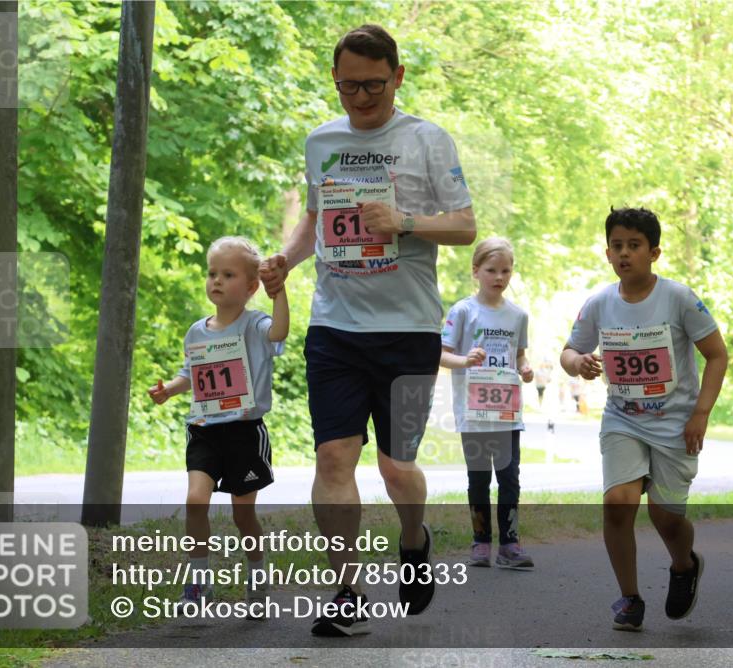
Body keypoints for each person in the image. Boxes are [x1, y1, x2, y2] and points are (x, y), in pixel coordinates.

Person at [259, 25, 476, 636]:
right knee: (334, 458)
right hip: (336, 326)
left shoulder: (427, 139)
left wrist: (403, 222)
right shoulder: (321, 141)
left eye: (373, 86)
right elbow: (315, 219)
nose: (359, 98)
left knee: (396, 468)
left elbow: (464, 226)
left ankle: (413, 538)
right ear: (335, 81)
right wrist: (285, 260)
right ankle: (347, 592)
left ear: (397, 77)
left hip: (408, 330)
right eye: (348, 86)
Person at [561, 207, 728, 632]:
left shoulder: (679, 298)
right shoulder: (599, 303)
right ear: (607, 253)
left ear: (654, 253)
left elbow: (717, 355)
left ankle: (684, 564)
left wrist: (701, 414)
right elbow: (568, 351)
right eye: (617, 246)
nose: (624, 253)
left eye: (634, 245)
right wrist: (578, 362)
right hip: (623, 419)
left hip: (676, 424)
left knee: (665, 517)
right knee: (618, 503)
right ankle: (630, 598)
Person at [148, 236, 289, 617]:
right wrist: (170, 390)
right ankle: (198, 584)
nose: (217, 281)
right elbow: (190, 373)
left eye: (228, 275)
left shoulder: (256, 324)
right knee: (196, 501)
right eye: (212, 273)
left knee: (243, 516)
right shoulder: (197, 331)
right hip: (204, 428)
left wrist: (279, 293)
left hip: (244, 432)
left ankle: (257, 578)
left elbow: (279, 333)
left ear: (251, 286)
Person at [440, 238, 535, 570]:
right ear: (476, 271)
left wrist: (525, 368)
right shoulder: (463, 311)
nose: (499, 277)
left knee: (509, 478)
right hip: (474, 411)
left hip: (507, 412)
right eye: (492, 270)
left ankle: (510, 544)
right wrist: (466, 360)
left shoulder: (518, 315)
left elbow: (519, 355)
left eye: (505, 271)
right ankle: (480, 542)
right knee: (479, 478)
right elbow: (441, 355)